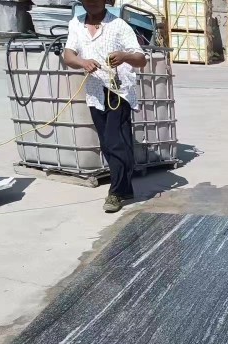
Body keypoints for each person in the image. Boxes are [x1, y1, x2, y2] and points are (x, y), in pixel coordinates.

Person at [64, 0, 147, 213]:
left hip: (118, 92)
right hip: (95, 92)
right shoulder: (76, 24)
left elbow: (141, 59)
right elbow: (68, 55)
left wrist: (124, 56)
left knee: (115, 141)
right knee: (107, 143)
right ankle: (125, 187)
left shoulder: (118, 25)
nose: (92, 3)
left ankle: (116, 193)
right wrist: (83, 62)